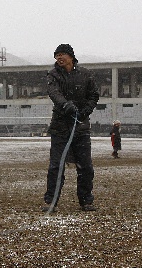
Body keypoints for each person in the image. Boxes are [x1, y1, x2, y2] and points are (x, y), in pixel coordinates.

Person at [43, 44, 99, 212]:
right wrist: (65, 105)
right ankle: (50, 201)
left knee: (86, 166)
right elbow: (54, 93)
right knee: (56, 166)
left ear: (71, 56)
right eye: (56, 55)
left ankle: (86, 200)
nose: (59, 58)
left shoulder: (85, 75)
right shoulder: (53, 75)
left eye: (62, 55)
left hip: (80, 127)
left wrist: (85, 111)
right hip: (60, 127)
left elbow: (94, 95)